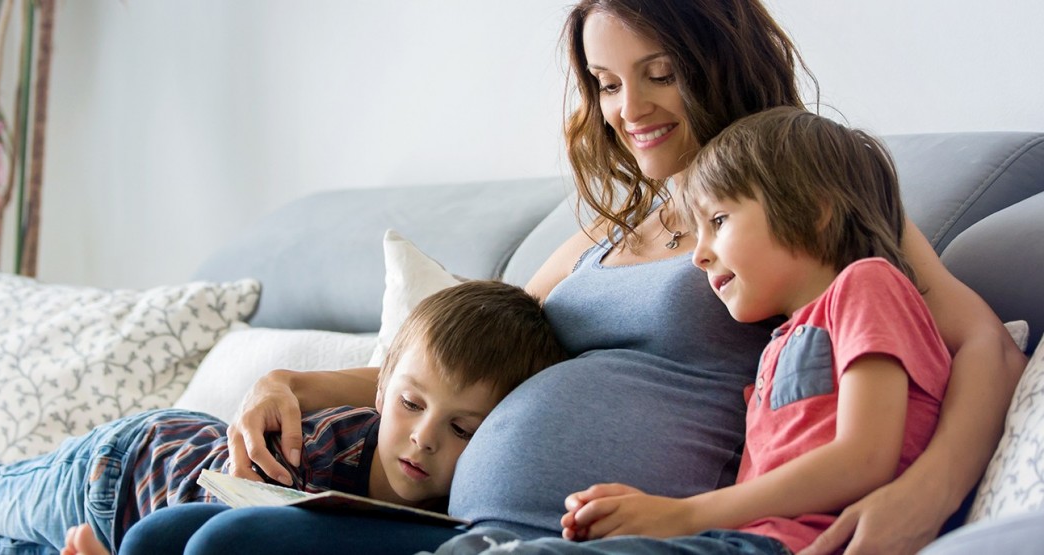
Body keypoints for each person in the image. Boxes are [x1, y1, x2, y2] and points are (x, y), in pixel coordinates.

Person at [122, 1, 1026, 554]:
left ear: (717, 57)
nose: (628, 109)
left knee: (227, 543)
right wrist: (290, 381)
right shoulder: (606, 227)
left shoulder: (799, 203)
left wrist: (926, 492)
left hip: (573, 537)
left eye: (658, 73)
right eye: (603, 82)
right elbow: (455, 363)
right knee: (168, 533)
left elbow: (980, 337)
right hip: (462, 526)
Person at [428, 106, 951, 555]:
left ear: (815, 211)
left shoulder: (868, 285)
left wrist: (682, 515)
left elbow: (864, 458)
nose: (699, 255)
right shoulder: (778, 343)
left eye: (719, 221)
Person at [0, 280, 566, 555]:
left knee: (1, 546)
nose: (423, 437)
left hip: (119, 528)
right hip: (126, 469)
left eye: (463, 429)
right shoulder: (322, 449)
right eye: (412, 404)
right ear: (383, 384)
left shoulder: (452, 515)